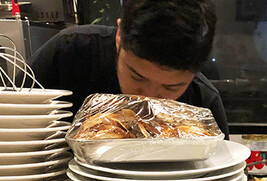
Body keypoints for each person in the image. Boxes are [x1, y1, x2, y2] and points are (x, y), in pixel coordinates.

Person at [27, 0, 229, 137]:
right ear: (119, 38)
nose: (148, 97)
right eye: (137, 77)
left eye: (171, 87)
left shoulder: (204, 102)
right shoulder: (68, 54)